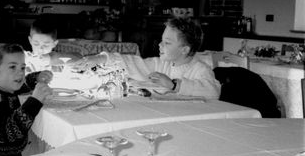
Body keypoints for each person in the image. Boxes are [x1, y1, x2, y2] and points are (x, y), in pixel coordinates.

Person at [71, 17, 221, 99]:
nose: (160, 45)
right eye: (162, 40)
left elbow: (214, 91)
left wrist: (174, 86)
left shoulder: (200, 69)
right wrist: (102, 59)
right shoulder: (161, 63)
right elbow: (134, 63)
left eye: (167, 43)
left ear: (184, 49)